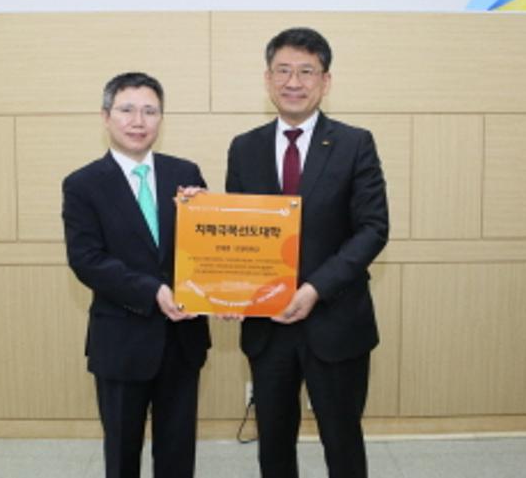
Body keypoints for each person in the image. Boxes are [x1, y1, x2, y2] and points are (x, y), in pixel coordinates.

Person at [225, 27, 389, 478]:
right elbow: (238, 231)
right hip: (268, 325)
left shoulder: (355, 143)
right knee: (274, 444)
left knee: (342, 441)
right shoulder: (244, 147)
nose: (293, 82)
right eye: (282, 71)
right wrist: (225, 284)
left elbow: (373, 229)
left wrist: (315, 288)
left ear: (325, 81)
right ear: (267, 78)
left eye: (305, 71)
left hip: (335, 320)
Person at [62, 72, 210, 478]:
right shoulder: (83, 184)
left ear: (161, 118)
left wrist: (204, 212)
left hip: (182, 339)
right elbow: (86, 259)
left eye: (150, 111)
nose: (138, 121)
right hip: (121, 341)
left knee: (177, 454)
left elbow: (207, 250)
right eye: (127, 110)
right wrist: (153, 291)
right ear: (106, 116)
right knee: (122, 455)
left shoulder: (186, 173)